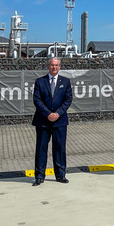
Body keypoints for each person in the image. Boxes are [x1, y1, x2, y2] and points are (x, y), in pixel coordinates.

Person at [32, 57, 73, 186]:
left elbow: (68, 100)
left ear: (60, 67)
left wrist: (57, 114)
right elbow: (37, 100)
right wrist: (48, 114)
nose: (54, 67)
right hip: (43, 120)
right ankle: (39, 176)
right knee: (41, 148)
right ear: (48, 66)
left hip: (60, 121)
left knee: (59, 148)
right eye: (52, 65)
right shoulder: (40, 81)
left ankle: (60, 175)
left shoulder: (65, 82)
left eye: (56, 65)